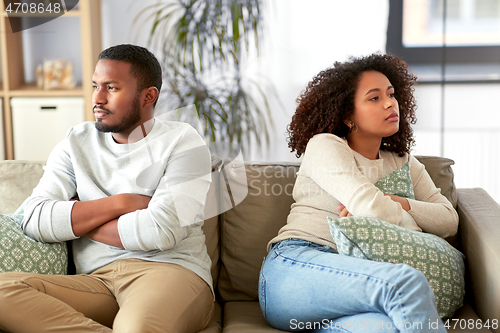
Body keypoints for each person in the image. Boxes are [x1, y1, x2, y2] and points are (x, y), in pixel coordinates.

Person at [0, 44, 214, 333]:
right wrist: (122, 203)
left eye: (111, 88)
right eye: (95, 86)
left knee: (136, 328)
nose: (97, 99)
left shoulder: (183, 142)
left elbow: (162, 231)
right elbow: (34, 219)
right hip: (96, 281)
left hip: (169, 273)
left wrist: (76, 219)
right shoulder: (76, 142)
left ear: (148, 96)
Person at [258, 53, 458, 333]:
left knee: (390, 329)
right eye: (374, 98)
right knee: (405, 282)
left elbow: (449, 220)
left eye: (391, 94)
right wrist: (407, 219)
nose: (390, 103)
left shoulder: (403, 162)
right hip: (297, 266)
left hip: (353, 283)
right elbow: (370, 207)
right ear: (348, 114)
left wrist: (400, 203)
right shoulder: (325, 145)